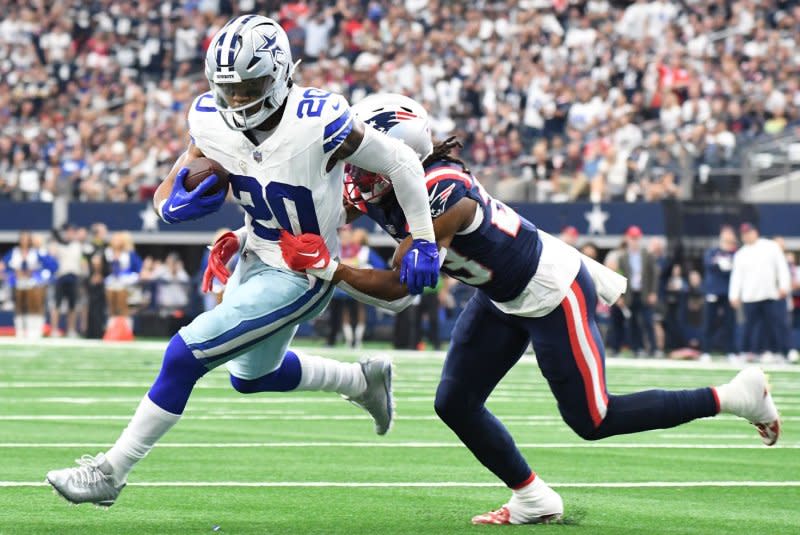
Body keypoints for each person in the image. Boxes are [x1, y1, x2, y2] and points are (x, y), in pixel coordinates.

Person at [278, 93, 781, 525]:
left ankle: (734, 396)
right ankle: (533, 498)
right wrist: (255, 231)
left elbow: (400, 283)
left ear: (400, 155)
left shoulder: (443, 192)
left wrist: (331, 268)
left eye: (369, 158)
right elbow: (324, 204)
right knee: (454, 402)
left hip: (550, 290)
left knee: (593, 418)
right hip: (501, 296)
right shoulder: (384, 182)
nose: (357, 171)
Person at [46, 15, 439, 507]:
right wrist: (173, 206)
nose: (237, 101)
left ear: (278, 76)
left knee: (184, 354)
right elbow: (171, 184)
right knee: (251, 377)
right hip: (257, 251)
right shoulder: (208, 117)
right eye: (227, 89)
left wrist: (422, 238)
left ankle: (111, 472)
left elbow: (401, 161)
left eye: (248, 87)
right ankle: (360, 381)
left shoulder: (321, 118)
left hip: (301, 271)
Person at [729, 224, 791, 362]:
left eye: (749, 232)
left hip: (769, 294)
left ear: (755, 232)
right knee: (747, 327)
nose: (747, 236)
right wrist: (734, 295)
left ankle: (778, 352)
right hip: (749, 296)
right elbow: (736, 276)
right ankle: (744, 352)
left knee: (774, 325)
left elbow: (781, 267)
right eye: (744, 234)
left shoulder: (770, 247)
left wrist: (783, 286)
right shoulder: (741, 254)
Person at [617, 225, 659, 357]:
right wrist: (621, 296)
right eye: (632, 238)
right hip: (630, 293)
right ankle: (637, 348)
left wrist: (653, 292)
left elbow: (654, 274)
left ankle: (654, 348)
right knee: (633, 322)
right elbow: (620, 276)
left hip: (644, 292)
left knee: (648, 321)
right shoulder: (622, 257)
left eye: (636, 238)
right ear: (627, 239)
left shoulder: (647, 254)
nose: (634, 240)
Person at [4, 232, 53, 339]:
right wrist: (13, 272)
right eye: (22, 239)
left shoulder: (36, 252)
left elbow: (51, 265)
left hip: (33, 283)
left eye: (27, 239)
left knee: (35, 306)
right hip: (18, 283)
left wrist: (36, 272)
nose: (24, 241)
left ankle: (35, 330)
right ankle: (20, 330)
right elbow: (5, 264)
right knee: (19, 306)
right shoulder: (15, 252)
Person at [700, 226, 738, 361]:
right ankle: (705, 351)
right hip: (713, 292)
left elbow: (735, 271)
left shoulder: (736, 254)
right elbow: (709, 265)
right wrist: (721, 265)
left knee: (729, 323)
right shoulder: (712, 252)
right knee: (709, 323)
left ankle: (731, 351)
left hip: (729, 293)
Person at [50, 225, 86, 338]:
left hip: (74, 277)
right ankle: (54, 329)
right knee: (57, 304)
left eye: (72, 232)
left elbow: (82, 260)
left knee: (73, 305)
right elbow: (52, 256)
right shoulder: (57, 244)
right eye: (68, 232)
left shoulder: (77, 246)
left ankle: (71, 330)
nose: (70, 234)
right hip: (61, 277)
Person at [103, 232, 142, 337]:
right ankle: (111, 331)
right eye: (115, 239)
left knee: (123, 308)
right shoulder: (107, 253)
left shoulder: (129, 253)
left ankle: (126, 332)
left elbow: (138, 268)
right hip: (110, 282)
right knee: (111, 308)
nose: (116, 242)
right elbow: (104, 269)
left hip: (126, 282)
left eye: (119, 240)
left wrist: (129, 276)